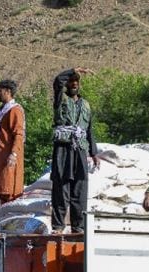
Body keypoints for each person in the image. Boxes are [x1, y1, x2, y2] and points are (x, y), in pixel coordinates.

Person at [51, 68, 99, 234]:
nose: (73, 85)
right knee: (61, 188)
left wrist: (94, 153)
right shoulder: (60, 98)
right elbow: (57, 80)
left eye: (76, 82)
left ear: (79, 85)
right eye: (71, 82)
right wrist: (73, 70)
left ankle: (78, 226)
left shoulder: (85, 104)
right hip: (63, 150)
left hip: (80, 149)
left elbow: (89, 130)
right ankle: (58, 226)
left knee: (80, 188)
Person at [0, 79, 26, 205]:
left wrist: (13, 154)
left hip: (9, 158)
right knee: (1, 191)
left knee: (9, 191)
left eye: (0, 91)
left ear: (8, 92)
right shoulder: (2, 111)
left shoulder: (14, 110)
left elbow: (18, 134)